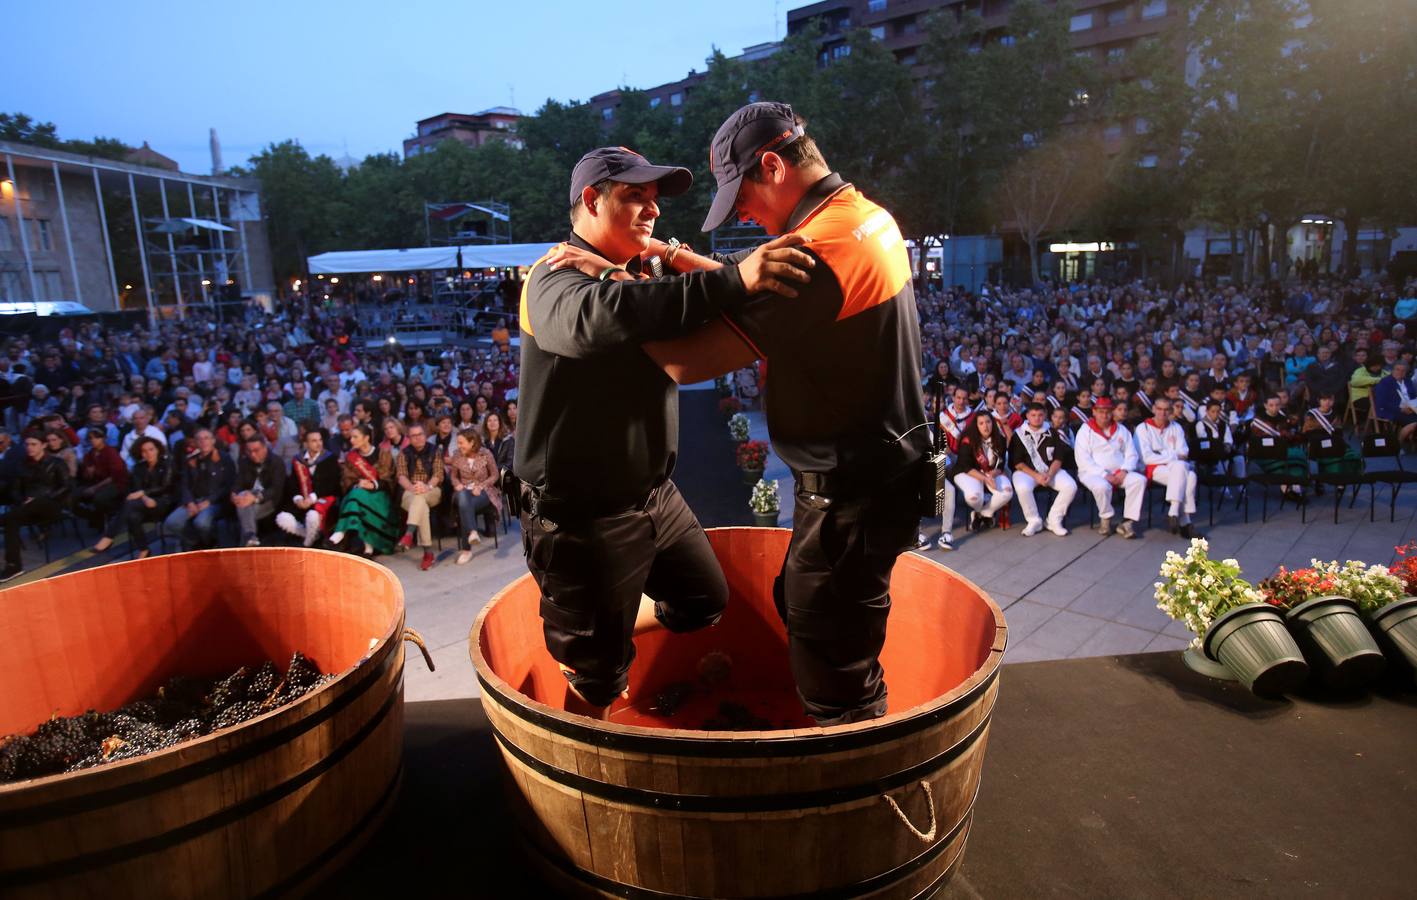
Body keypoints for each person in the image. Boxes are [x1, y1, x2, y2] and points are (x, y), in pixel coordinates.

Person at [608, 102, 930, 725]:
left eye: (742, 198)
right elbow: (758, 286)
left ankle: (857, 785)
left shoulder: (819, 251)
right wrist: (678, 258)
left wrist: (612, 293)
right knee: (805, 606)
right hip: (878, 480)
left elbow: (686, 363)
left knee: (835, 672)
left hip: (852, 496)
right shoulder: (862, 217)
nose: (745, 217)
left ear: (775, 165)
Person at [519, 143, 812, 715]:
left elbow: (692, 305)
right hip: (583, 517)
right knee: (597, 683)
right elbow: (603, 318)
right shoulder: (550, 278)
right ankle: (589, 703)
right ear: (590, 200)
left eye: (656, 201)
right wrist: (731, 279)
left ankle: (601, 628)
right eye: (635, 197)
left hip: (654, 495)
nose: (653, 210)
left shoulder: (643, 269)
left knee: (703, 601)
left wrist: (665, 254)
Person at [1, 433, 71, 581]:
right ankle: (14, 566)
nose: (29, 448)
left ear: (43, 445)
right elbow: (15, 490)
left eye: (33, 444)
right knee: (11, 521)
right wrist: (22, 500)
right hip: (27, 508)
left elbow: (66, 487)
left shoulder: (56, 463)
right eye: (27, 445)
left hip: (51, 505)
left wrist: (41, 498)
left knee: (33, 504)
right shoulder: (22, 465)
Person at [92, 436, 174, 557]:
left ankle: (109, 536)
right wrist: (144, 497)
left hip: (162, 503)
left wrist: (144, 494)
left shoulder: (167, 465)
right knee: (132, 515)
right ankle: (144, 550)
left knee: (130, 505)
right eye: (144, 451)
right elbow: (136, 489)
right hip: (142, 504)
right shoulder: (138, 468)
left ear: (158, 450)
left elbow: (165, 487)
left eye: (151, 449)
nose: (148, 453)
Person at [1074, 397, 1145, 538]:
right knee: (1102, 486)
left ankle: (1127, 522)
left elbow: (1132, 454)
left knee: (1139, 480)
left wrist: (1125, 470)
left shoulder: (1122, 430)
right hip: (1092, 472)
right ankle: (1106, 518)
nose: (1104, 415)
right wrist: (1104, 474)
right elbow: (1083, 459)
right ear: (1094, 412)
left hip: (1119, 472)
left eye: (1108, 412)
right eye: (1101, 412)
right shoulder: (1085, 430)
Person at [329, 422, 397, 556]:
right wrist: (359, 483)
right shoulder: (351, 457)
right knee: (357, 495)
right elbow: (346, 480)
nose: (351, 440)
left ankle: (340, 532)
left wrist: (374, 485)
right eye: (351, 437)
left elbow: (390, 478)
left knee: (356, 497)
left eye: (355, 437)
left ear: (366, 438)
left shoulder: (383, 454)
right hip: (358, 494)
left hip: (380, 495)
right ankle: (368, 549)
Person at [1135, 398, 1199, 537]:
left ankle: (1174, 512)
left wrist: (1161, 453)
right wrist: (1172, 455)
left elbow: (1184, 452)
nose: (1162, 413)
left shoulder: (1176, 427)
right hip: (1153, 469)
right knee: (1188, 474)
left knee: (1184, 470)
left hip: (1173, 468)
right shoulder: (1143, 428)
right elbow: (1146, 457)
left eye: (1166, 410)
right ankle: (1185, 522)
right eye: (1159, 409)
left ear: (1170, 411)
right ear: (1153, 409)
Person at [1009, 402, 1075, 537]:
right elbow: (1017, 462)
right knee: (1022, 488)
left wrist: (1049, 474)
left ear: (1045, 415)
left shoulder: (1052, 432)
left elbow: (1058, 458)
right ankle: (1034, 521)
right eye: (1033, 415)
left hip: (1050, 471)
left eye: (1040, 415)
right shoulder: (1019, 434)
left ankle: (1053, 520)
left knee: (1071, 486)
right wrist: (1036, 476)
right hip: (1026, 472)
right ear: (1027, 416)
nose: (1037, 418)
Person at [164, 428, 235, 551]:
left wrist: (209, 501)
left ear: (213, 441)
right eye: (199, 439)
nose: (203, 442)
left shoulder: (224, 458)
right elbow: (185, 484)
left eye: (206, 438)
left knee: (201, 522)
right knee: (172, 522)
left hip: (215, 501)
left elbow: (228, 485)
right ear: (195, 443)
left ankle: (209, 543)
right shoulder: (191, 460)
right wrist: (190, 502)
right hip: (195, 500)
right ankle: (195, 541)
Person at [276, 427, 342, 547]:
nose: (318, 443)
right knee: (282, 518)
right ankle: (310, 535)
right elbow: (293, 483)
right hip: (302, 501)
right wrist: (298, 498)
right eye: (314, 441)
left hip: (322, 500)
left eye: (320, 440)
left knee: (313, 516)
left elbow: (332, 485)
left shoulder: (330, 458)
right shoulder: (298, 460)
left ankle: (307, 544)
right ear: (306, 444)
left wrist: (312, 498)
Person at [950, 413, 1013, 533]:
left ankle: (983, 513)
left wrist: (993, 474)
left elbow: (1001, 463)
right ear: (976, 425)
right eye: (981, 423)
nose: (986, 426)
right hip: (967, 472)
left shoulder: (1000, 439)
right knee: (974, 498)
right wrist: (986, 479)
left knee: (1007, 492)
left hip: (991, 472)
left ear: (993, 423)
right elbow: (966, 466)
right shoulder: (967, 440)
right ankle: (982, 509)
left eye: (988, 422)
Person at [448, 427, 501, 565]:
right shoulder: (457, 455)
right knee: (463, 498)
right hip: (463, 492)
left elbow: (495, 474)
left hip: (483, 493)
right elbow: (453, 476)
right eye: (458, 443)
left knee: (465, 506)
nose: (459, 446)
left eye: (461, 443)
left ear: (472, 442)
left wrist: (481, 486)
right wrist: (457, 484)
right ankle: (472, 532)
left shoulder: (485, 453)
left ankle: (467, 549)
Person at [395, 422, 444, 571]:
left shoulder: (434, 450)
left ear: (425, 435)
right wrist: (413, 488)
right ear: (409, 438)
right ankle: (427, 553)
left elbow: (438, 474)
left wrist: (426, 486)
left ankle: (409, 533)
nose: (417, 438)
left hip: (432, 489)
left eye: (420, 434)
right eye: (413, 436)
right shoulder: (404, 453)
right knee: (420, 502)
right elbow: (401, 476)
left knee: (421, 499)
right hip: (411, 491)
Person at [74, 428, 128, 530]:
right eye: (90, 438)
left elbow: (114, 476)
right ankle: (94, 517)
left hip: (115, 483)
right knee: (73, 497)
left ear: (103, 438)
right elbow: (86, 476)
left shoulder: (111, 452)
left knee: (99, 498)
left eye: (96, 437)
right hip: (95, 483)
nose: (93, 440)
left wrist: (94, 488)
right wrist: (88, 472)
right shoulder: (89, 455)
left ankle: (114, 514)